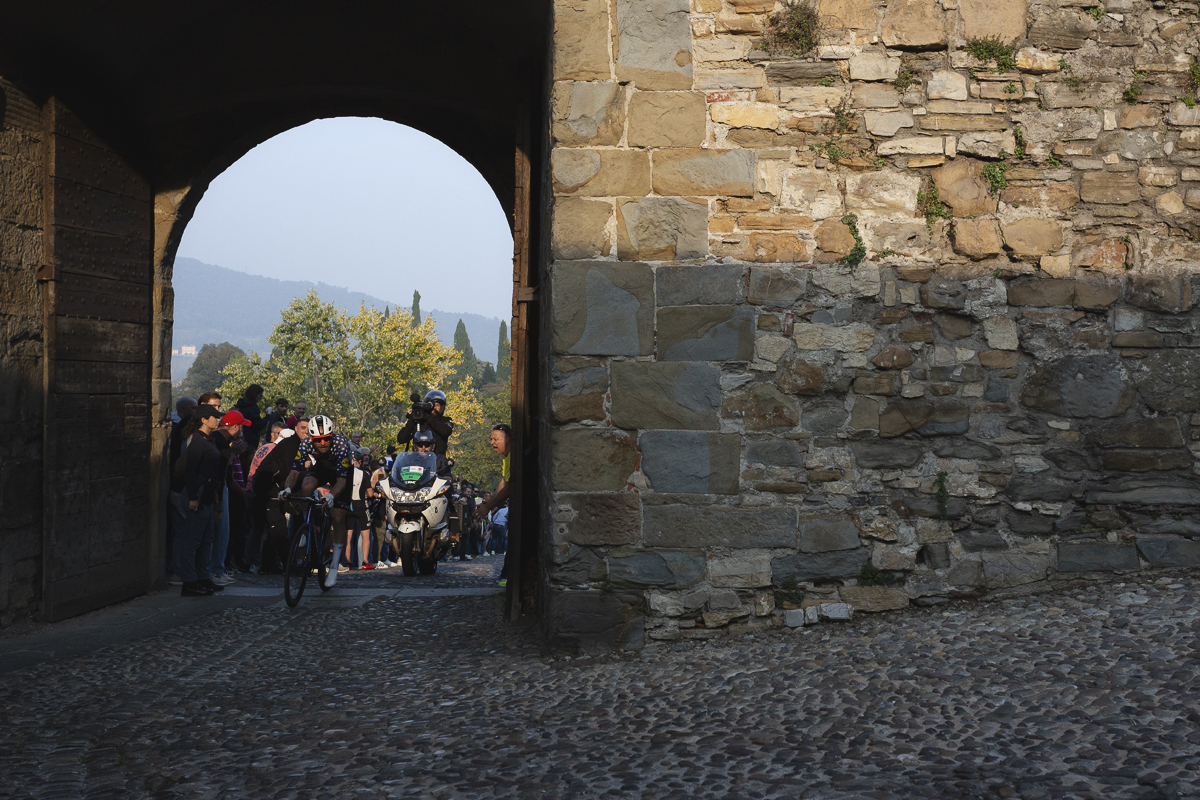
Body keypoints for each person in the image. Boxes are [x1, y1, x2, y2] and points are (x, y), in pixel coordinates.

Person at [279, 415, 355, 588]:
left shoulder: (341, 445)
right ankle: (308, 525)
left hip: (342, 474)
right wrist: (287, 489)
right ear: (311, 438)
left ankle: (334, 567)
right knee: (306, 486)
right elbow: (294, 472)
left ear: (331, 435)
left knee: (338, 517)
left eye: (326, 438)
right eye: (318, 440)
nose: (322, 443)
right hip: (322, 467)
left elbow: (341, 482)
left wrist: (330, 496)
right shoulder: (305, 443)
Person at [178, 405, 224, 596]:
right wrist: (193, 497)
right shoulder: (197, 441)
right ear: (204, 420)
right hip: (198, 493)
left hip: (207, 494)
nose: (218, 419)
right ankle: (189, 582)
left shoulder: (207, 440)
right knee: (193, 540)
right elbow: (190, 470)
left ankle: (203, 577)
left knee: (206, 539)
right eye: (215, 416)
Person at [475, 424, 511, 585]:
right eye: (491, 439)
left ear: (507, 439)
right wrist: (489, 504)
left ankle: (507, 575)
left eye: (495, 439)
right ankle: (506, 575)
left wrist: (488, 507)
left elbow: (508, 488)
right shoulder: (506, 458)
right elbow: (503, 483)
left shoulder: (512, 456)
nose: (492, 443)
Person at [397, 390, 453, 455]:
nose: (434, 408)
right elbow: (401, 439)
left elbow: (447, 431)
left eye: (437, 405)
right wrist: (411, 420)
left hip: (437, 459)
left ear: (442, 407)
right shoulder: (419, 421)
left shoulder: (445, 420)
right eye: (432, 405)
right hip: (418, 459)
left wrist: (428, 418)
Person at [234, 384, 267, 453]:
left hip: (241, 437)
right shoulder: (252, 408)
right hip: (250, 440)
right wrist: (268, 415)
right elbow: (258, 425)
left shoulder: (241, 405)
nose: (260, 397)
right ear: (255, 394)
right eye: (260, 395)